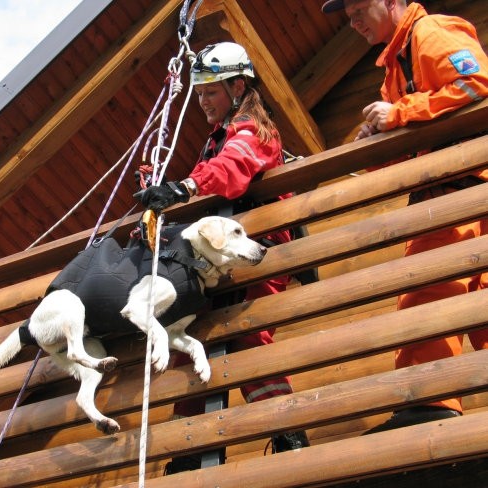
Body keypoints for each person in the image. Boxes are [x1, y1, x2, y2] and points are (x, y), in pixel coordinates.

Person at [138, 42, 310, 473]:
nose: (201, 102)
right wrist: (165, 188)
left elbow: (233, 171)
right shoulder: (217, 140)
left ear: (237, 86)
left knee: (247, 339)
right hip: (217, 265)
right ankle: (189, 452)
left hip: (251, 257)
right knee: (192, 346)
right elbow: (212, 178)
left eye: (209, 92)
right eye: (198, 94)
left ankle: (289, 437)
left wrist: (185, 188)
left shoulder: (253, 130)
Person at [322, 0, 488, 432]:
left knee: (425, 295)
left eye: (358, 9)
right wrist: (377, 143)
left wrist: (401, 113)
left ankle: (430, 406)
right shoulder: (396, 66)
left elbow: (478, 84)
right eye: (348, 16)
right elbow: (416, 135)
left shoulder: (428, 33)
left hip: (459, 192)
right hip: (465, 192)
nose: (352, 21)